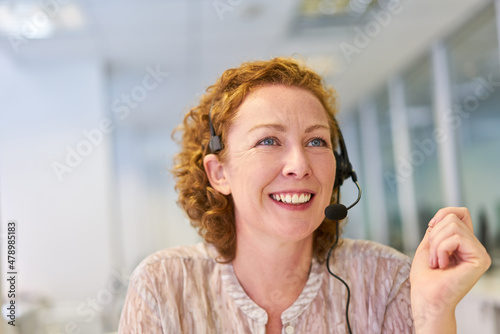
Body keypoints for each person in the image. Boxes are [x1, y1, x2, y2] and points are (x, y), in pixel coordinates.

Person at [118, 57, 491, 333]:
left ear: (339, 166)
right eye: (268, 141)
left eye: (316, 141)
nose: (299, 164)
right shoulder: (165, 285)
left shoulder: (385, 279)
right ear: (219, 173)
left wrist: (433, 314)